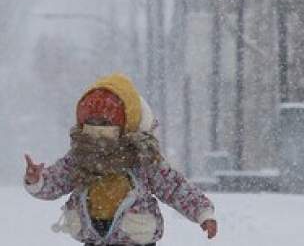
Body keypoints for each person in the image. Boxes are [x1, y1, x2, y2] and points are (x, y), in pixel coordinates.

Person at [23, 73, 217, 246]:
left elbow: (173, 186)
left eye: (106, 123)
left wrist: (202, 212)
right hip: (94, 239)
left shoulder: (142, 157)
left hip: (135, 240)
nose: (97, 129)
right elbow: (58, 179)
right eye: (91, 122)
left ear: (126, 122)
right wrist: (37, 180)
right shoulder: (80, 156)